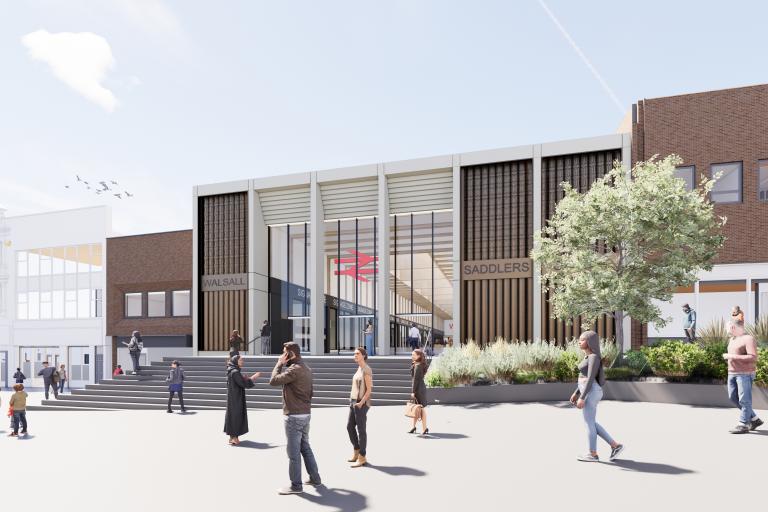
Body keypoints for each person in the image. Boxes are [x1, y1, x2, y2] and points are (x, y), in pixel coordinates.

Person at [269, 341, 322, 495]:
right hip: (306, 414)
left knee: (293, 453)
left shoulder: (294, 369)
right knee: (305, 447)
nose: (283, 356)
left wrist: (279, 364)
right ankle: (315, 478)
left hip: (294, 416)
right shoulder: (307, 368)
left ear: (291, 355)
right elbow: (311, 392)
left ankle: (296, 486)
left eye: (285, 353)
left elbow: (273, 381)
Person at [569, 331, 624, 462]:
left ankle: (593, 454)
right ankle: (615, 446)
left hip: (591, 391)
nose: (579, 342)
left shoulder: (594, 357)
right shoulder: (588, 357)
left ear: (590, 342)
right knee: (591, 423)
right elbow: (584, 378)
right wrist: (576, 393)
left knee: (589, 424)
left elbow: (590, 379)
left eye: (582, 340)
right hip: (588, 391)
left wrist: (582, 397)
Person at [723, 320, 763, 433]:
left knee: (744, 400)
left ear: (732, 327)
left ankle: (743, 424)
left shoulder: (748, 339)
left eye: (727, 327)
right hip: (732, 373)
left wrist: (731, 356)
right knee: (733, 397)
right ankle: (754, 419)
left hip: (745, 374)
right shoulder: (732, 339)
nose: (726, 330)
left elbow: (753, 357)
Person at [224, 355, 260, 445]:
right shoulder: (235, 372)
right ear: (235, 361)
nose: (242, 361)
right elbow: (242, 383)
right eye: (240, 360)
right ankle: (234, 438)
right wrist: (253, 378)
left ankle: (232, 438)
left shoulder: (232, 371)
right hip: (236, 398)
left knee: (233, 415)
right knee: (236, 416)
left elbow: (238, 382)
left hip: (233, 397)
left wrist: (245, 378)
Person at [347, 347, 373, 468]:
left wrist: (361, 402)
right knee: (349, 427)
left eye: (357, 354)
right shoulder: (359, 368)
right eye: (354, 354)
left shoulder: (366, 369)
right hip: (353, 402)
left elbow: (369, 390)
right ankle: (356, 451)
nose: (355, 355)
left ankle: (362, 456)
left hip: (360, 403)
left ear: (363, 355)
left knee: (361, 430)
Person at [408, 348, 429, 435]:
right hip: (421, 388)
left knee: (420, 409)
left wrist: (413, 392)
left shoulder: (417, 366)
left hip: (418, 390)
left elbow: (415, 380)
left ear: (419, 356)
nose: (412, 356)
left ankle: (424, 428)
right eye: (412, 355)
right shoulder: (419, 364)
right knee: (417, 409)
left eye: (413, 355)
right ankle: (413, 427)